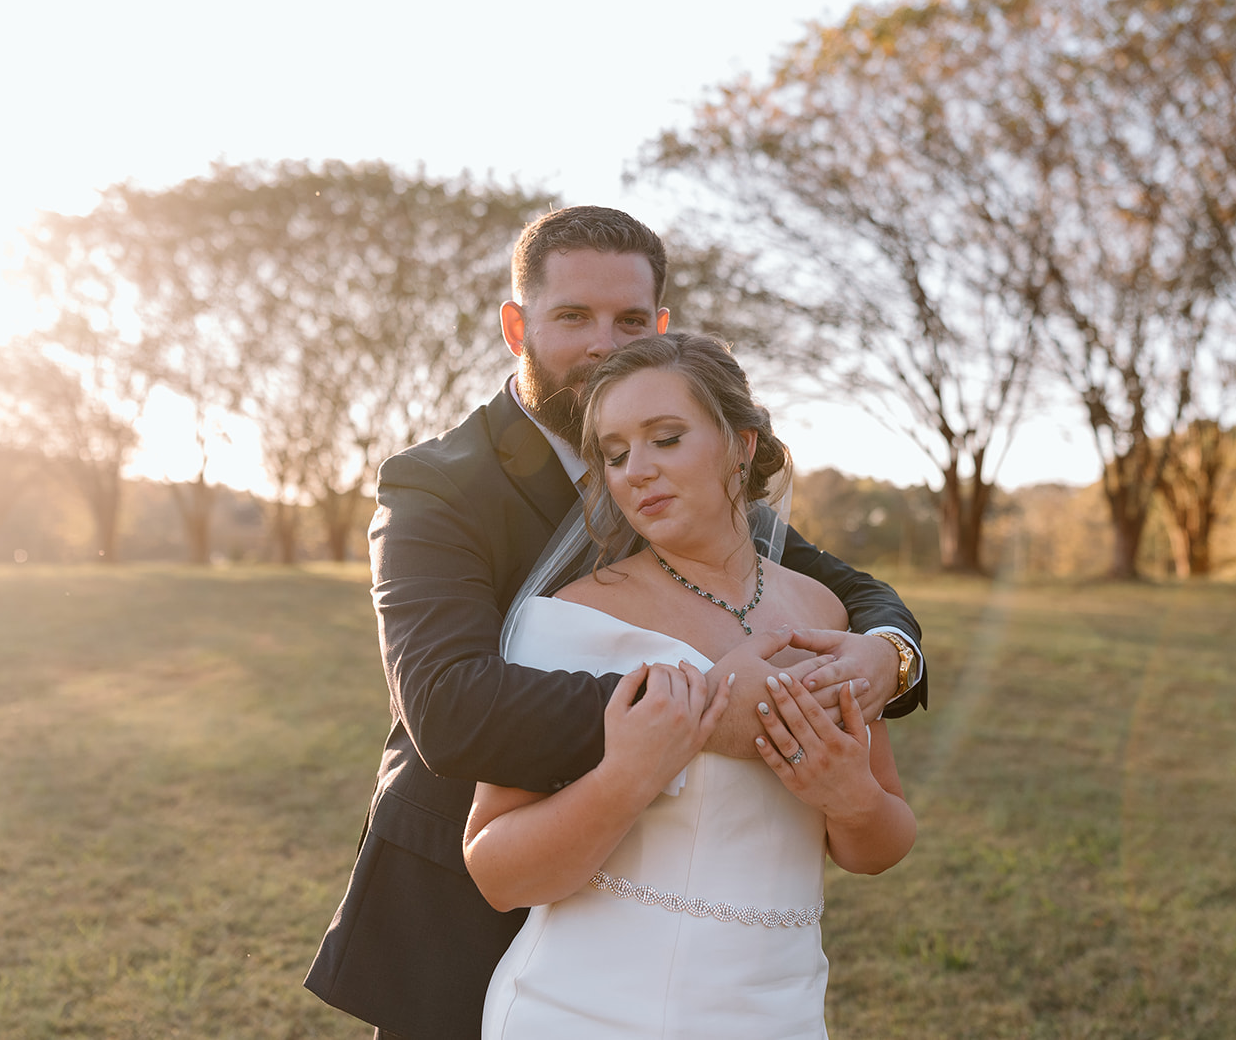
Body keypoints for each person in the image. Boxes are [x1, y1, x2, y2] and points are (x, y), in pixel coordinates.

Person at [304, 206, 926, 1039]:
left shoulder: (705, 490)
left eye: (629, 320)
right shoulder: (437, 485)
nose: (603, 344)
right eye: (572, 317)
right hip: (460, 916)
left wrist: (890, 656)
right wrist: (700, 712)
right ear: (517, 325)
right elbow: (450, 707)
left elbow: (851, 592)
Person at [466, 333, 917, 1038]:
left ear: (741, 443)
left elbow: (881, 843)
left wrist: (849, 797)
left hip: (779, 1012)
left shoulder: (827, 616)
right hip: (583, 1010)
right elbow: (496, 870)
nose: (636, 470)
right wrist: (631, 773)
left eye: (666, 438)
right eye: (615, 454)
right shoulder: (572, 620)